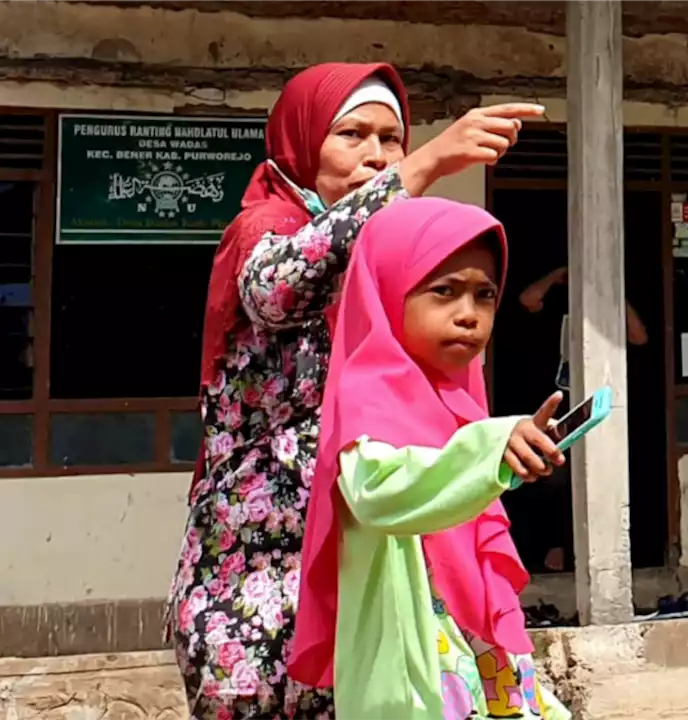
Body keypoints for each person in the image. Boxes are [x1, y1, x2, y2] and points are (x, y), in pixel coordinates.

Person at [167, 61, 544, 718]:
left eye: (392, 138)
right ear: (303, 140)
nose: (376, 155)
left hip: (361, 562)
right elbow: (277, 292)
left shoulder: (380, 249)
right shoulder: (265, 227)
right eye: (352, 134)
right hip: (258, 572)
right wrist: (421, 167)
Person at [288, 197, 570, 719]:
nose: (468, 315)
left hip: (479, 657)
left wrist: (504, 452)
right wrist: (489, 450)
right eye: (444, 292)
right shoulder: (367, 394)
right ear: (389, 290)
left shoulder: (461, 399)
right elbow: (379, 492)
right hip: (417, 659)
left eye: (485, 296)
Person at [516, 266, 649, 572]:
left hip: (598, 407)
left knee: (601, 477)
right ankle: (555, 549)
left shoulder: (606, 308)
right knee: (552, 477)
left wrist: (613, 293)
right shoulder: (557, 301)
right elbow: (527, 299)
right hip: (557, 406)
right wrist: (558, 276)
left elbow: (639, 337)